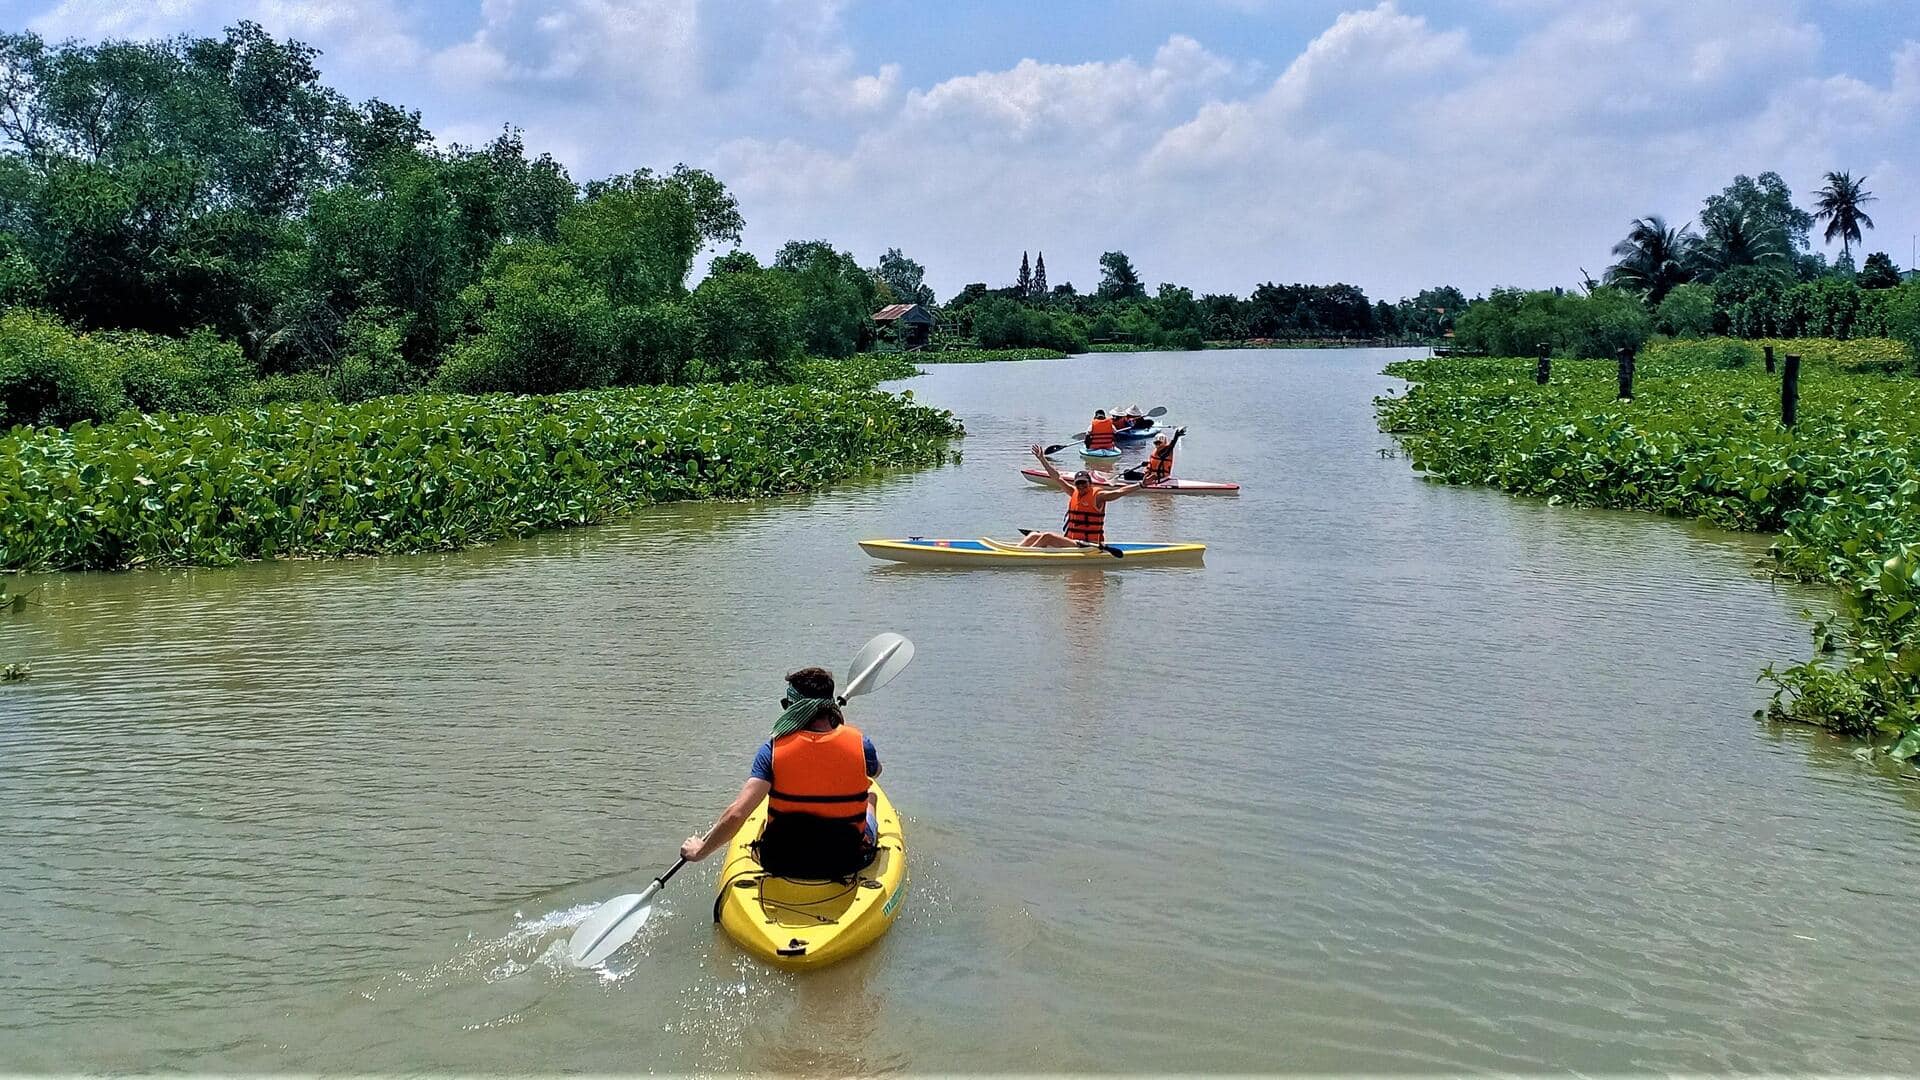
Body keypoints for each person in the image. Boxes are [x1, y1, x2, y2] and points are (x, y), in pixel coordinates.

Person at [680, 667, 881, 879]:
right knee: (872, 797)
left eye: (787, 704)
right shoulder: (861, 744)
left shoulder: (772, 751)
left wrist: (700, 850)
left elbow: (737, 814)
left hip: (782, 860)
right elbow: (875, 773)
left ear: (795, 708)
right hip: (845, 859)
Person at [1020, 444, 1146, 547]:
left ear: (1089, 483)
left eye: (1084, 483)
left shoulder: (1098, 496)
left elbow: (1120, 492)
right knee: (1033, 535)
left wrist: (1140, 485)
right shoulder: (1073, 492)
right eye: (1078, 483)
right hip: (1072, 541)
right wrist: (1042, 459)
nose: (1081, 486)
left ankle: (1022, 557)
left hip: (1088, 545)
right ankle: (1014, 551)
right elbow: (1056, 477)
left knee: (1048, 537)